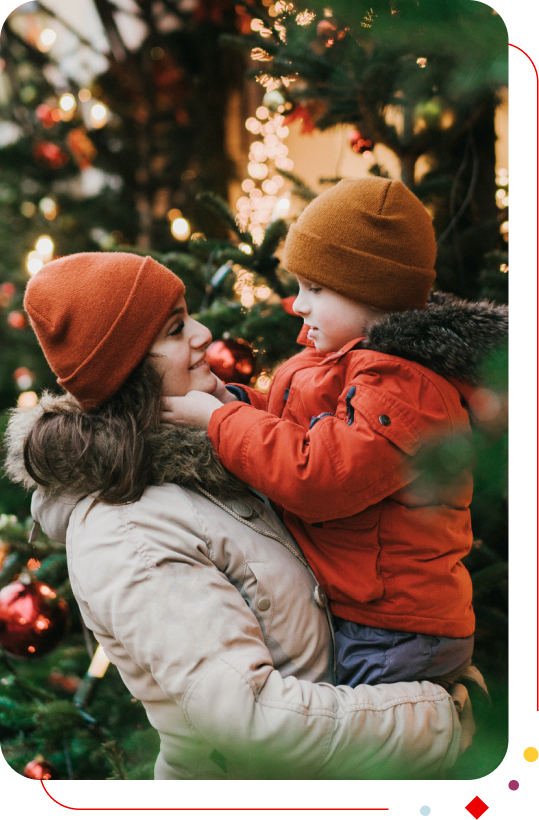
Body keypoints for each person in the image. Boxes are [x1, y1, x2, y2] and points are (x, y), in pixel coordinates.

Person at [4, 250, 476, 781]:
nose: (204, 334)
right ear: (128, 371)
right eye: (177, 329)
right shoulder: (127, 531)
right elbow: (252, 725)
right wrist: (442, 718)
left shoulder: (222, 456)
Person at [160, 177, 508, 694]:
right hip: (367, 615)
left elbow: (320, 474)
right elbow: (297, 427)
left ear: (374, 292)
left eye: (316, 290)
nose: (298, 305)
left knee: (372, 739)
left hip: (395, 629)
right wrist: (232, 404)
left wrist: (219, 422)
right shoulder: (343, 361)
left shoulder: (402, 385)